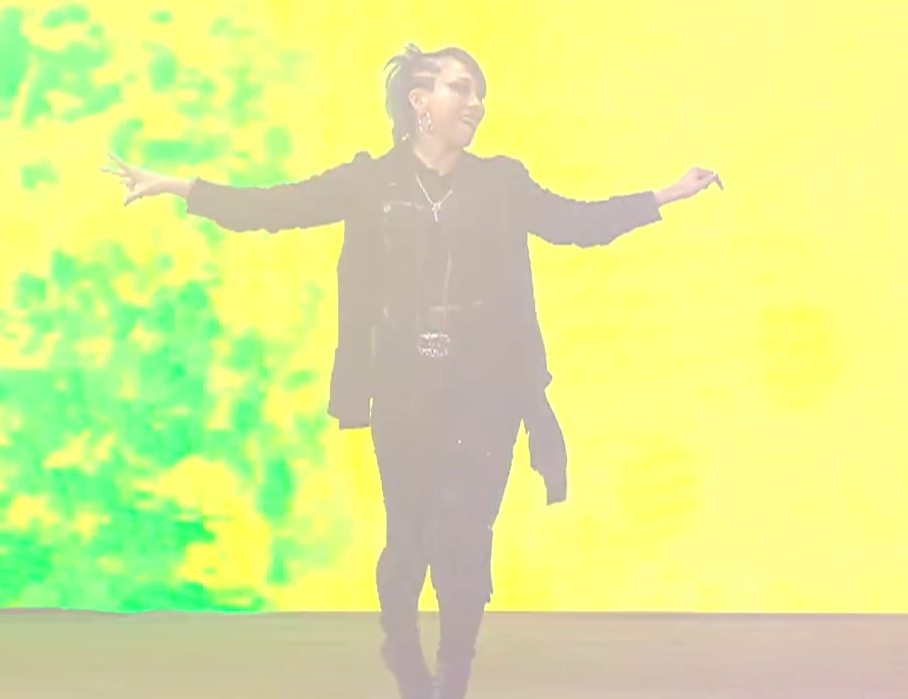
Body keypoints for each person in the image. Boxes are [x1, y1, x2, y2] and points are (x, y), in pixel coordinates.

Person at [101, 44, 721, 698]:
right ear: (420, 102)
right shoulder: (370, 183)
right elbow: (274, 208)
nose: (476, 103)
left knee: (468, 540)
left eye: (480, 92)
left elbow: (577, 223)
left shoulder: (501, 183)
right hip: (404, 389)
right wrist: (179, 187)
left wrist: (666, 194)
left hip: (488, 393)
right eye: (461, 88)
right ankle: (401, 644)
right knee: (411, 539)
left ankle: (454, 674)